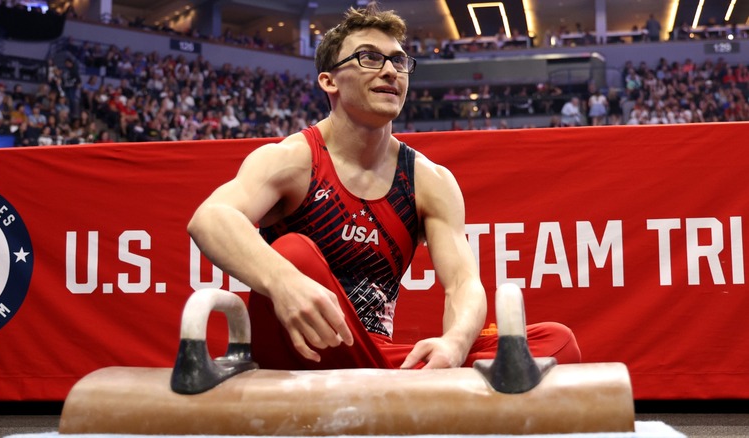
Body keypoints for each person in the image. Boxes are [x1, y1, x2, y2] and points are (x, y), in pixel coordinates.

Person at [188, 5, 581, 371]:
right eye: (369, 58)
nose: (390, 71)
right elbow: (210, 218)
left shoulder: (428, 180)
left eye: (398, 61)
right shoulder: (294, 159)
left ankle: (411, 388)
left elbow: (463, 283)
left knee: (556, 343)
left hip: (374, 357)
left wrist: (454, 345)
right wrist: (282, 281)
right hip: (298, 347)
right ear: (329, 81)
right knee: (294, 253)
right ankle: (420, 395)